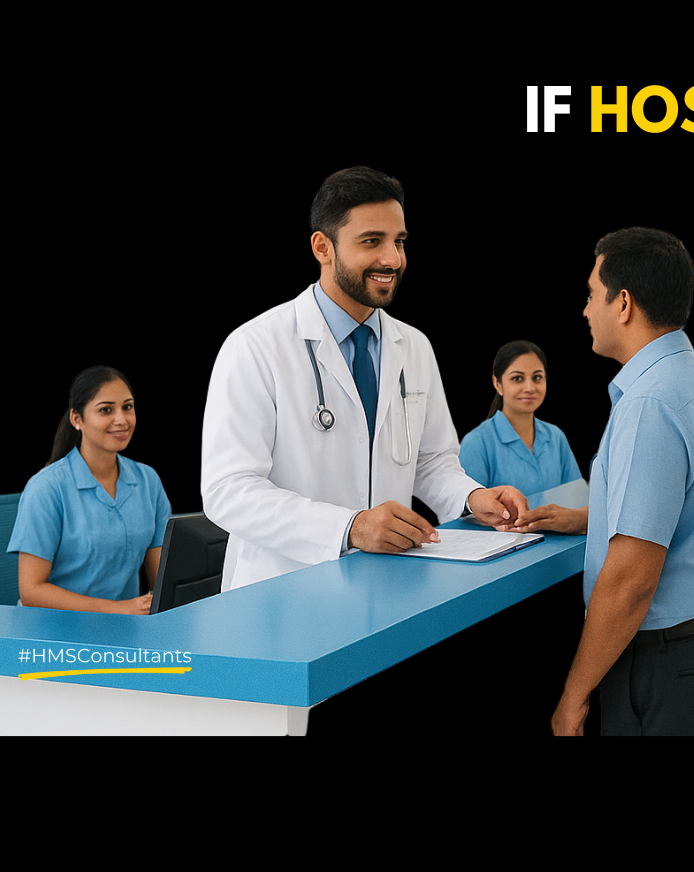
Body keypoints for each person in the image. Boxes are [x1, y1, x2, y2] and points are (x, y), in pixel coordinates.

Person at [200, 166, 529, 593]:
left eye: (399, 241)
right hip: (280, 594)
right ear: (323, 247)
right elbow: (229, 490)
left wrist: (472, 497)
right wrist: (350, 527)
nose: (392, 259)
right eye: (372, 241)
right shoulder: (255, 346)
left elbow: (431, 461)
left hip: (384, 587)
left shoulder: (413, 346)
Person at [532, 227, 694, 736]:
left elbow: (631, 581)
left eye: (590, 294)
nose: (585, 310)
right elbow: (690, 509)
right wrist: (591, 520)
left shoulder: (649, 404)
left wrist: (573, 695)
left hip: (665, 665)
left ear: (623, 303)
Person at [8, 367, 172, 613]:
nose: (121, 419)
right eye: (106, 410)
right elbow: (32, 591)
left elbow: (164, 578)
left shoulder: (147, 480)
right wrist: (118, 609)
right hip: (54, 631)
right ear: (77, 419)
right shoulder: (47, 488)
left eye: (127, 407)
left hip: (123, 627)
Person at [457, 340, 584, 509]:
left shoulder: (556, 437)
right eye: (517, 378)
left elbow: (578, 501)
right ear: (498, 384)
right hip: (502, 536)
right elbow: (467, 516)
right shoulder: (477, 443)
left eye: (537, 377)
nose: (529, 387)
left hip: (560, 535)